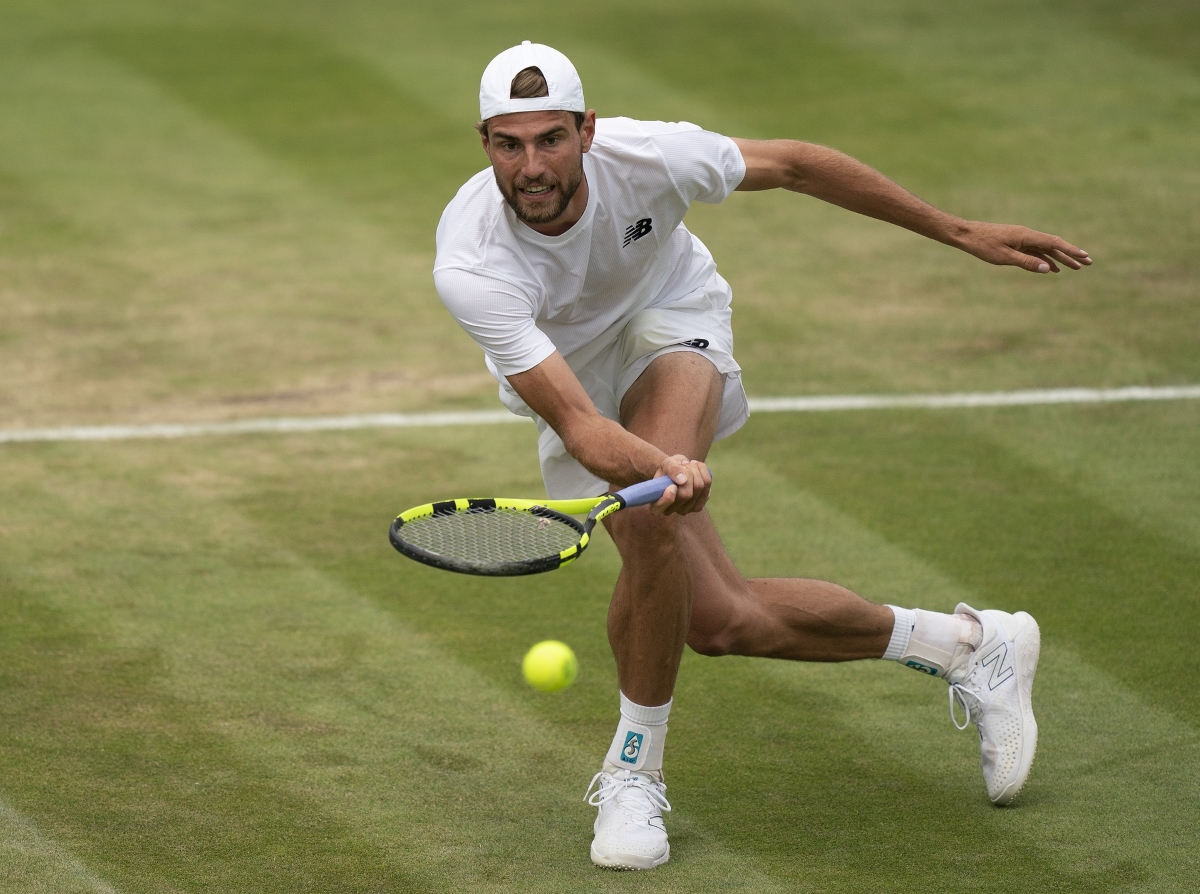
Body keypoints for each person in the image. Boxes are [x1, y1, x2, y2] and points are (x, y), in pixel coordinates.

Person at [432, 41, 1090, 871]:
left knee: (650, 537)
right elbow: (578, 424)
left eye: (550, 139)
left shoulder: (653, 156)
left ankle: (632, 774)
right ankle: (969, 647)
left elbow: (797, 165)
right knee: (718, 620)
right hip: (583, 388)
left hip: (672, 323)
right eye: (509, 143)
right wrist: (660, 469)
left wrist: (958, 231)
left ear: (588, 130)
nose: (531, 165)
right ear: (485, 142)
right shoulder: (470, 263)